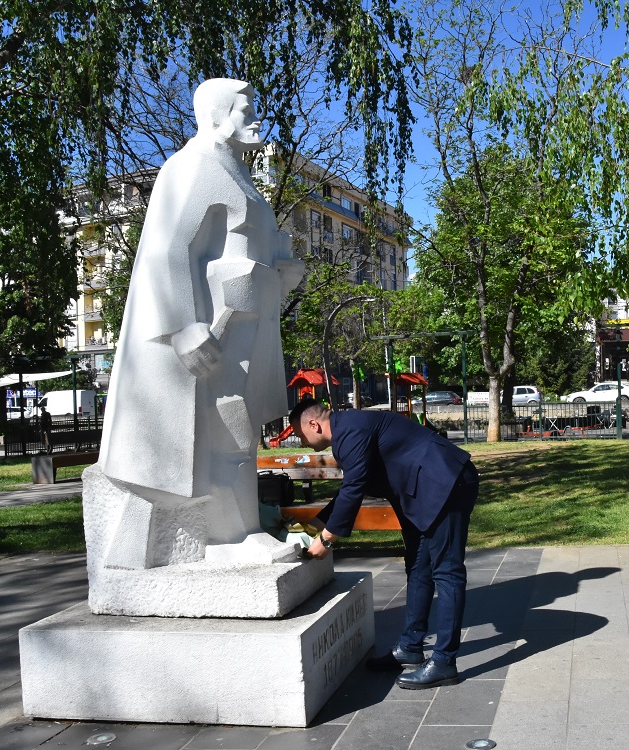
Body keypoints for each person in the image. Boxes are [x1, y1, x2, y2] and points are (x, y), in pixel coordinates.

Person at [95, 79, 304, 567]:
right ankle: (231, 538)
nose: (256, 119)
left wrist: (282, 275)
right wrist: (184, 325)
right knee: (227, 427)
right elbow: (167, 250)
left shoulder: (241, 178)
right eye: (246, 110)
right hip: (215, 329)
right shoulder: (193, 166)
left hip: (246, 326)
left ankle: (241, 530)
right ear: (216, 115)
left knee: (238, 429)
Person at [291, 398, 480, 690]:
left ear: (313, 425)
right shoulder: (348, 429)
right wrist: (314, 525)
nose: (302, 442)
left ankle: (444, 663)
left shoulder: (350, 430)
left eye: (300, 435)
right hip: (420, 489)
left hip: (444, 482)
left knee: (447, 572)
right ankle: (410, 647)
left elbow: (354, 486)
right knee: (417, 566)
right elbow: (355, 484)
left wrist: (327, 539)